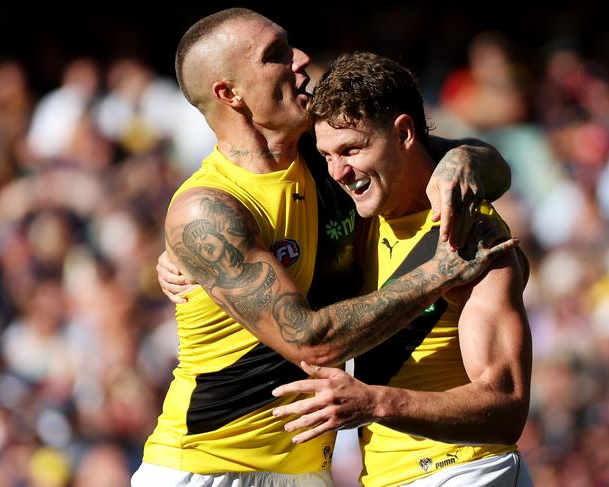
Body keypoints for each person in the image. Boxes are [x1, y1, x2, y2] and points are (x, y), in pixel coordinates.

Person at [135, 8, 516, 487]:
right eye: (275, 56)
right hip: (208, 465)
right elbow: (309, 343)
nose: (301, 59)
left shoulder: (332, 161)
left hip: (304, 471)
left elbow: (490, 165)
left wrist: (463, 159)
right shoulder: (208, 211)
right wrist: (439, 273)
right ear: (228, 93)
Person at [272, 52, 533, 487]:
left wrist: (375, 403)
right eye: (327, 155)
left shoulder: (473, 235)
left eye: (352, 149)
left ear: (405, 133)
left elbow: (505, 408)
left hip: (467, 472)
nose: (338, 171)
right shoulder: (360, 218)